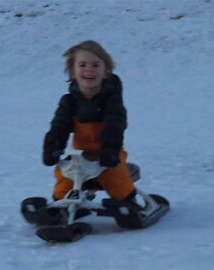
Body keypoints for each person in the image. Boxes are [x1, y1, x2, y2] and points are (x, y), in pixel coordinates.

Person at [42, 40, 141, 207]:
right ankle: (62, 206)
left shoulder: (111, 100)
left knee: (116, 181)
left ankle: (128, 203)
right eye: (82, 65)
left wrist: (110, 150)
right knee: (63, 181)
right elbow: (59, 126)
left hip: (107, 154)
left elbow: (115, 125)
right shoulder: (69, 101)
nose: (89, 69)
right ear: (73, 72)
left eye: (95, 65)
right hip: (79, 156)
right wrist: (52, 148)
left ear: (105, 72)